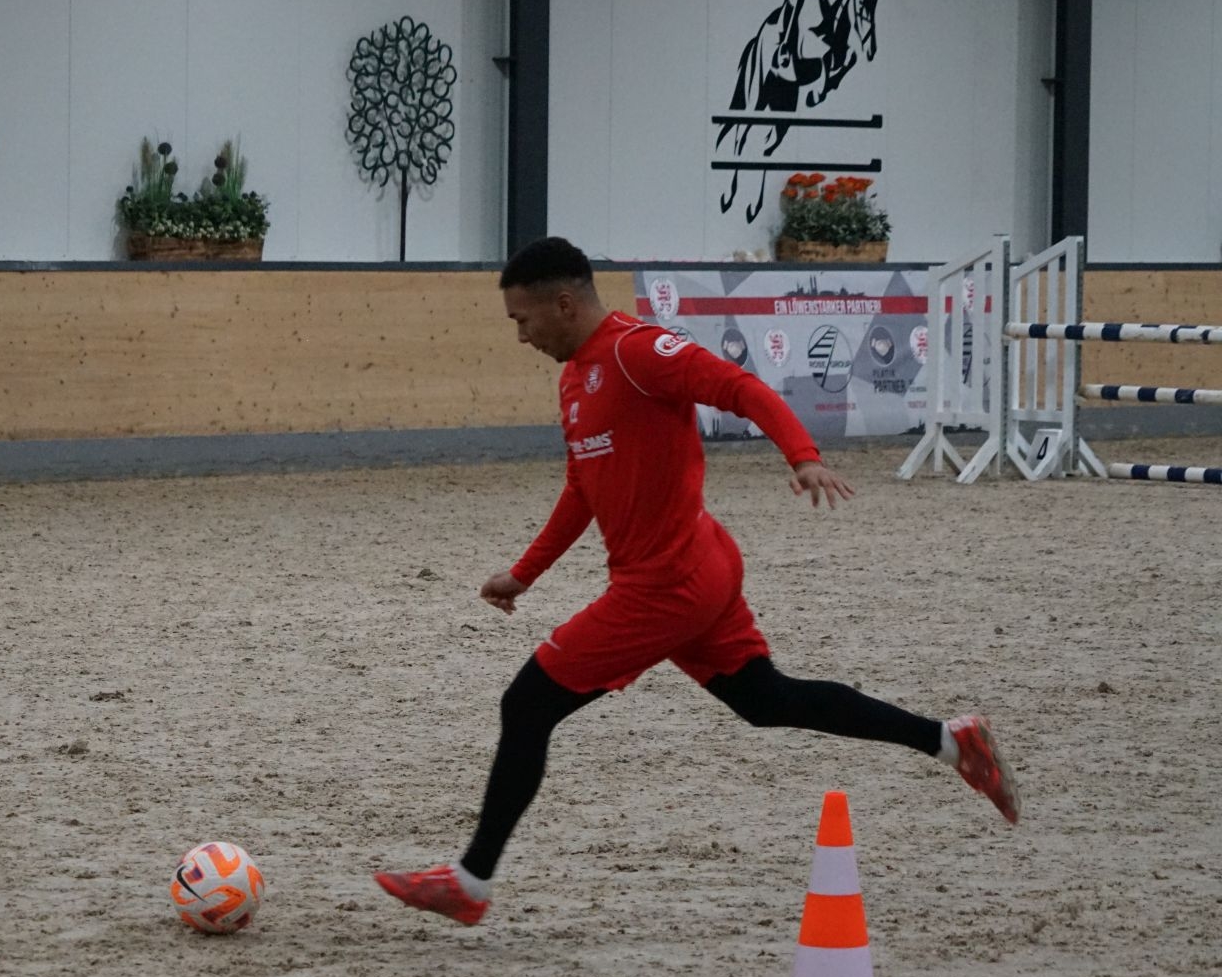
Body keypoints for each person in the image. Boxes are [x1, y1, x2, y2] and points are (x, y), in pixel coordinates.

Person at [374, 237, 1020, 926]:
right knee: (766, 699)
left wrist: (802, 455)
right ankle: (951, 741)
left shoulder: (639, 353)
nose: (521, 337)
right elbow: (582, 487)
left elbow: (741, 388)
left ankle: (470, 883)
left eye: (522, 320)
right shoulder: (573, 381)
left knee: (527, 703)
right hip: (694, 571)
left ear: (563, 304)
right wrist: (524, 573)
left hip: (667, 586)